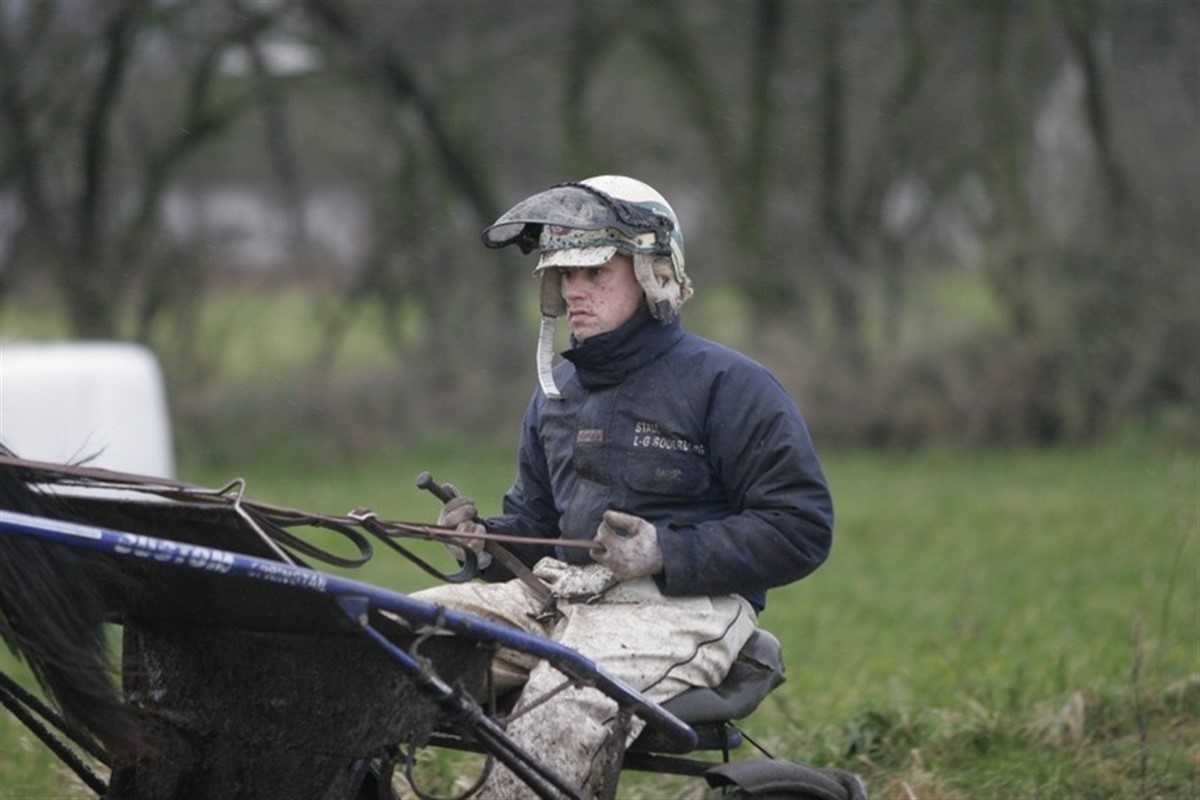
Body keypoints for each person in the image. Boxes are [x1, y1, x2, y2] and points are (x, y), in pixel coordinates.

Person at [413, 175, 833, 798]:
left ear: (654, 274)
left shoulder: (732, 385)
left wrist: (665, 551)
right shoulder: (555, 396)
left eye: (595, 272)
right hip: (559, 597)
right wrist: (483, 543)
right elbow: (537, 529)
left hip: (688, 611)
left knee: (558, 704)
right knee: (390, 639)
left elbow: (802, 528)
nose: (574, 291)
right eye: (564, 275)